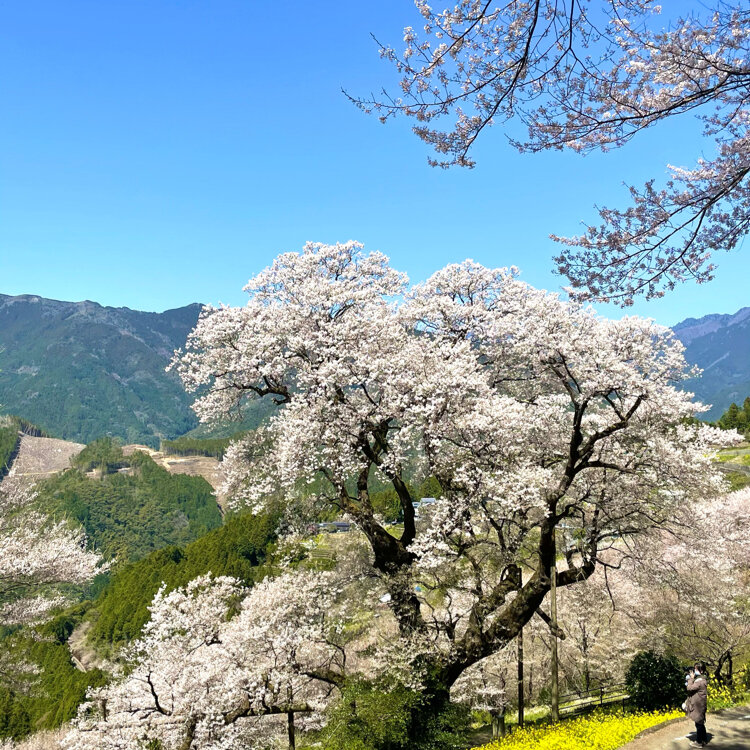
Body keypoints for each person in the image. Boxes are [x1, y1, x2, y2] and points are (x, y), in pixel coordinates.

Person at [685, 662, 708, 747]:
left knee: (698, 723)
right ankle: (704, 739)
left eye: (696, 669)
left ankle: (698, 742)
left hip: (698, 705)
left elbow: (689, 688)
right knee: (700, 723)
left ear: (701, 671)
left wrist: (690, 679)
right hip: (700, 704)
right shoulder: (702, 679)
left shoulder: (700, 681)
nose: (694, 671)